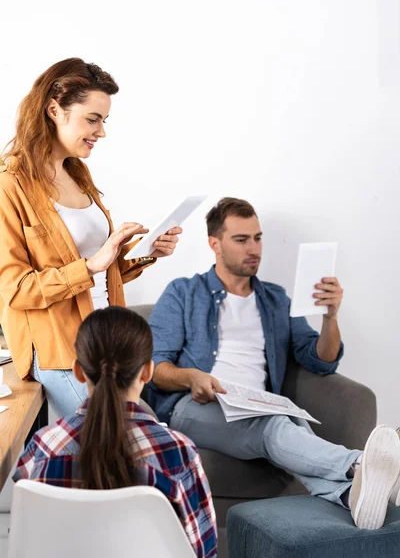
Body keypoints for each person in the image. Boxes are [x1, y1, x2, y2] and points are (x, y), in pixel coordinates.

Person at [148, 196, 400, 530]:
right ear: (215, 244)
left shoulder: (275, 299)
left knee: (290, 424)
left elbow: (320, 360)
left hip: (256, 403)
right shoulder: (183, 293)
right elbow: (154, 368)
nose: (254, 248)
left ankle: (351, 498)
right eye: (241, 239)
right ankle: (360, 463)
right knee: (276, 425)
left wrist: (330, 317)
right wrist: (192, 376)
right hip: (195, 406)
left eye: (258, 237)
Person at [0, 58, 182, 417]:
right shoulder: (10, 185)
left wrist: (146, 254)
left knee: (143, 438)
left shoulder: (78, 173)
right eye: (93, 119)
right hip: (61, 353)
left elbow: (101, 269)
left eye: (104, 121)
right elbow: (14, 289)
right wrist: (91, 264)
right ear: (54, 109)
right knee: (131, 441)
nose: (101, 133)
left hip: (105, 346)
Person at [13, 306, 217, 557]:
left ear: (78, 371)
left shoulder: (44, 446)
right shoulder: (179, 453)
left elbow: (24, 537)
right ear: (147, 372)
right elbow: (203, 550)